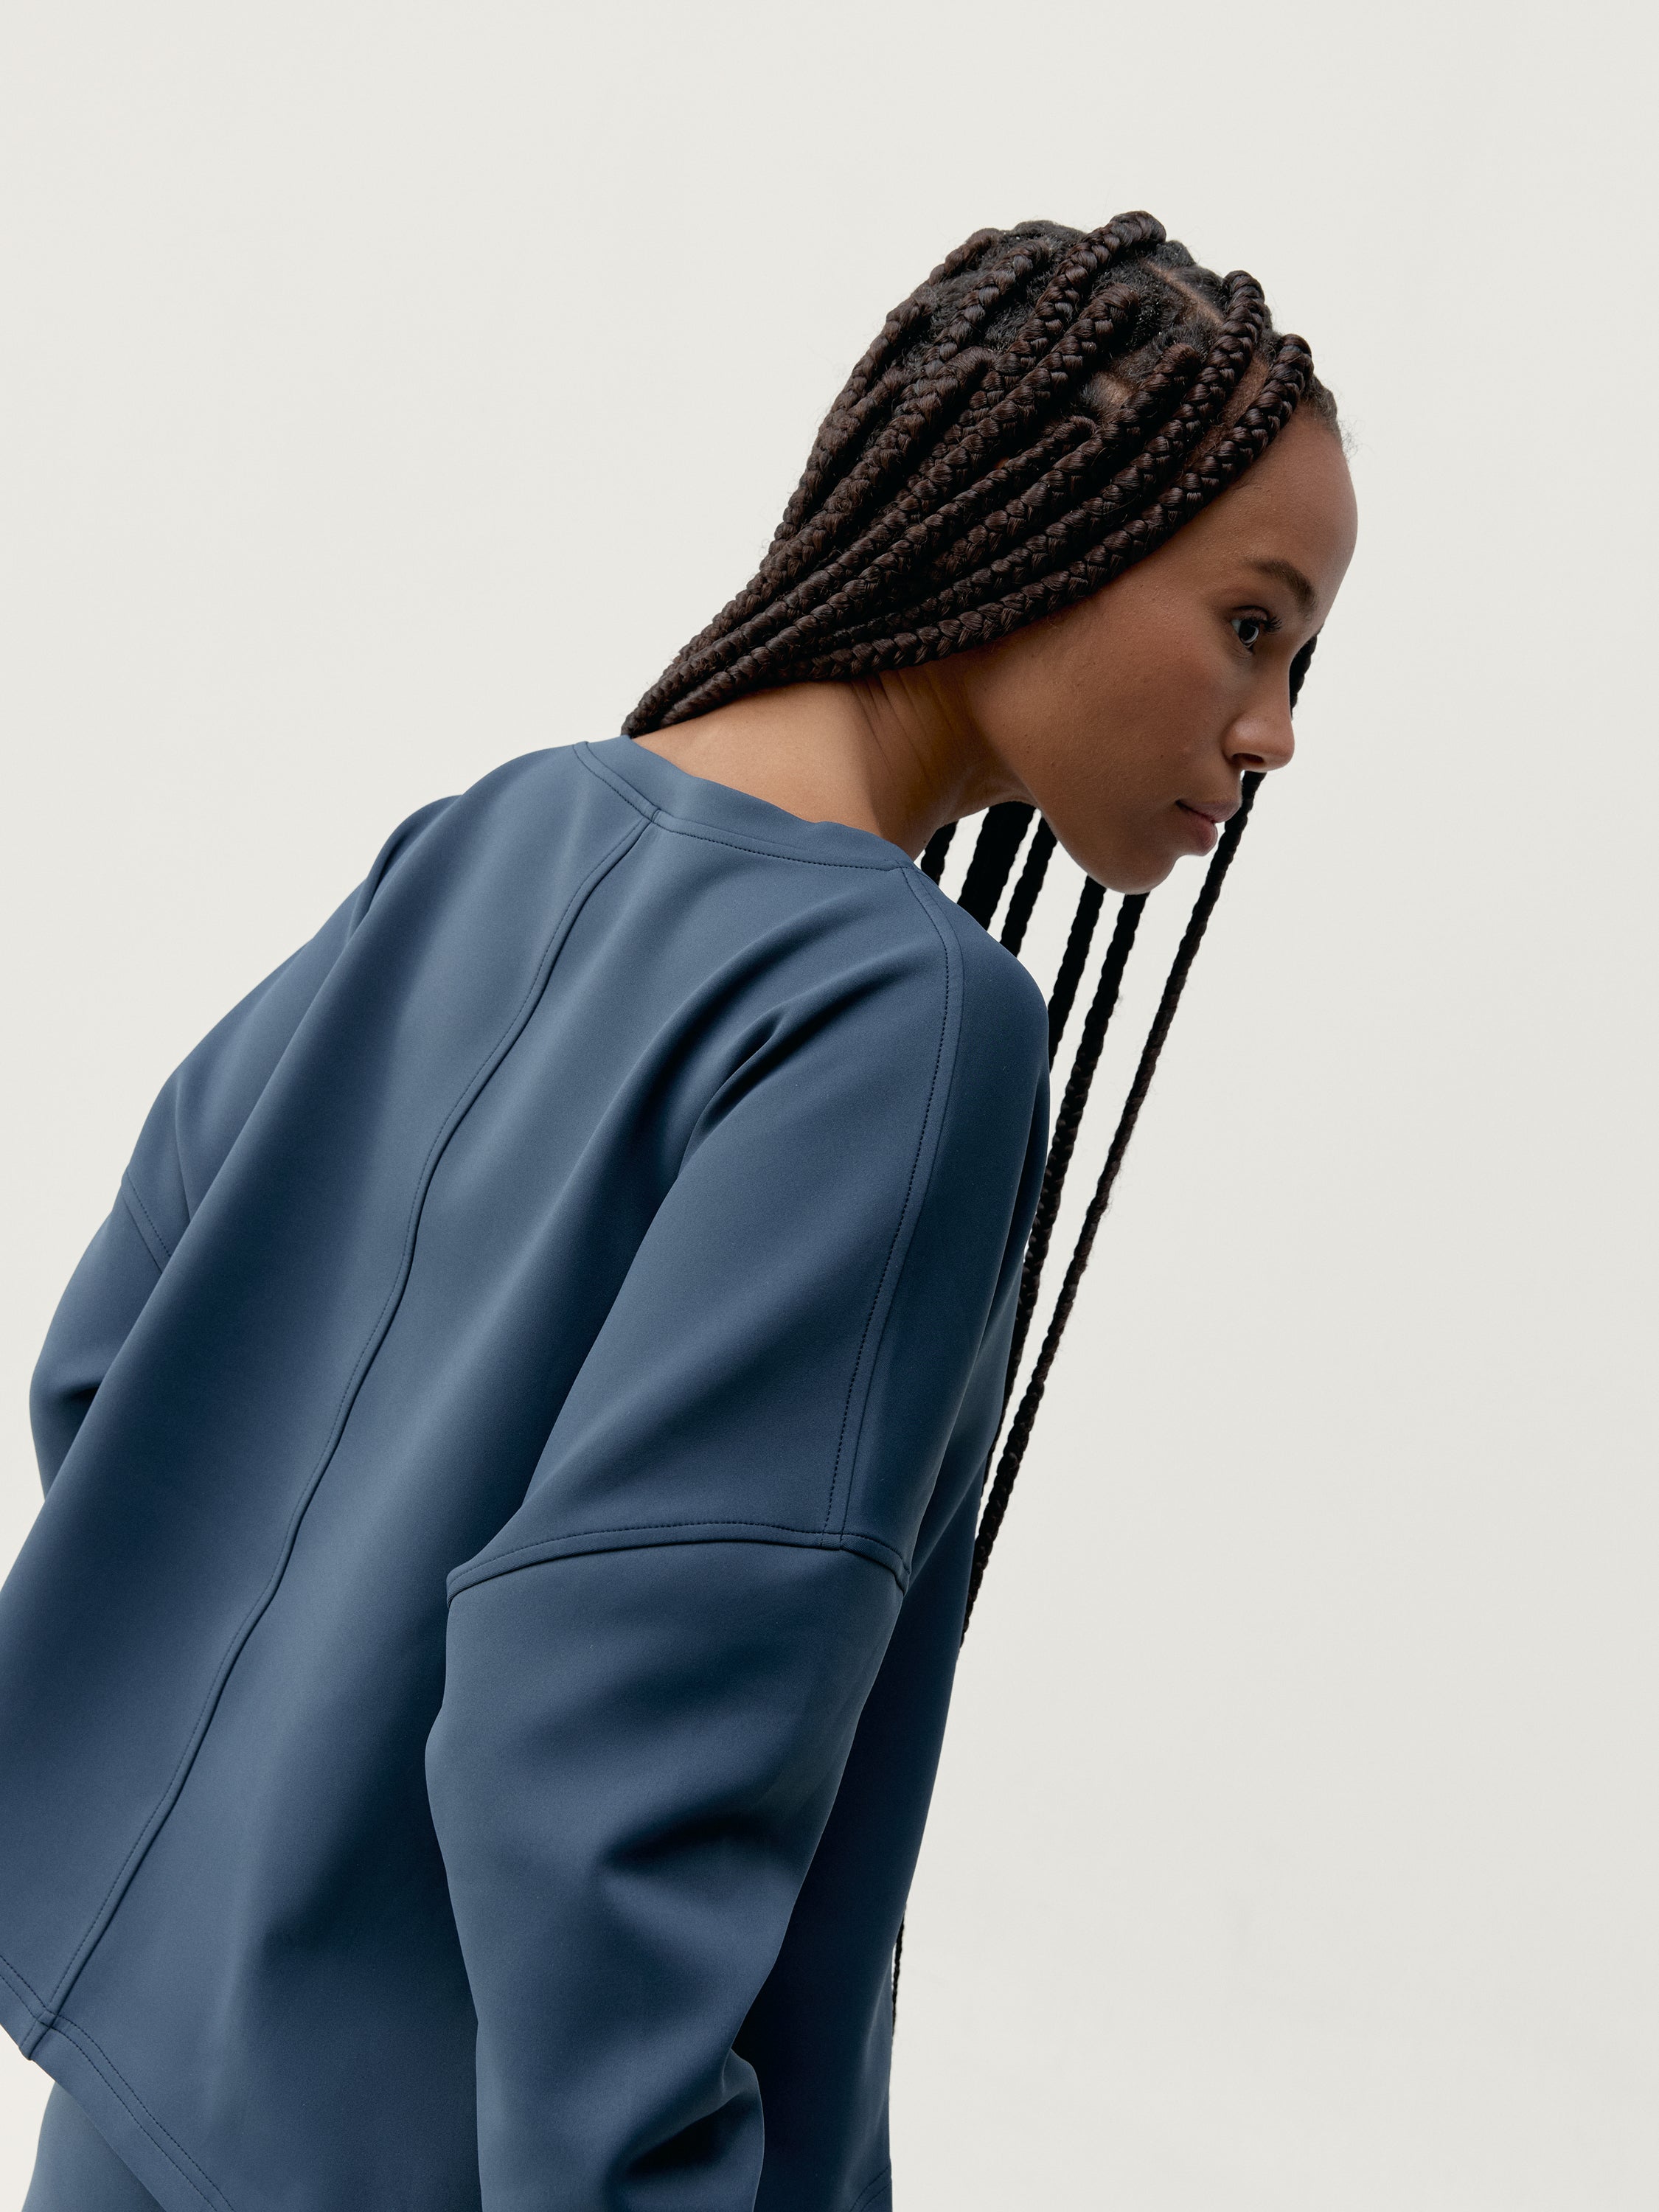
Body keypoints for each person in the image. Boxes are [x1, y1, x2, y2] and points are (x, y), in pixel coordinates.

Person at [1, 213, 1357, 2212]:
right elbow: (607, 1745)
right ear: (1057, 523)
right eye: (1250, 626)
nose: (1274, 732)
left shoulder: (497, 833)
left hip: (139, 2115)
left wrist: (275, 1814)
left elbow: (121, 1364)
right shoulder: (904, 1016)